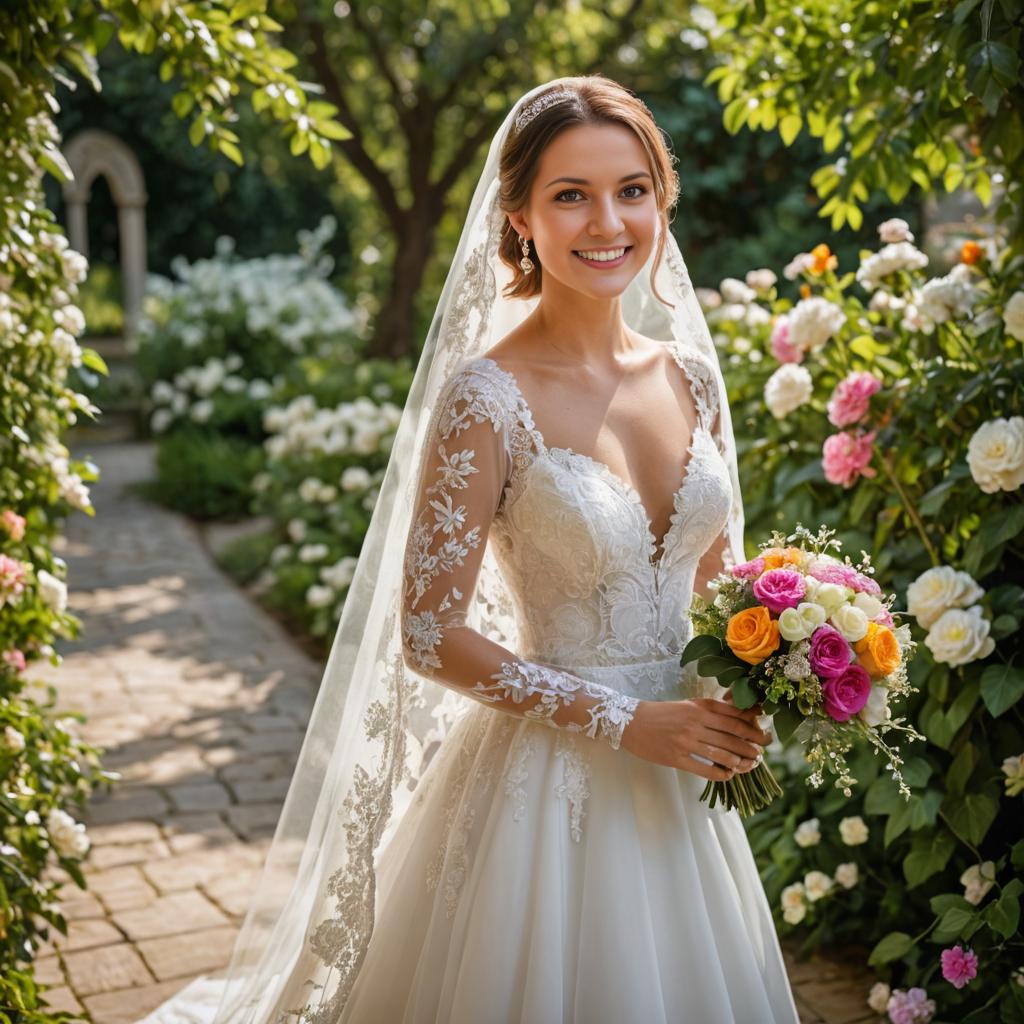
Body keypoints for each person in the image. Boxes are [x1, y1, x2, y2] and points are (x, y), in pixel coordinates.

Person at [140, 74, 801, 1024]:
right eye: (570, 194)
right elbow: (428, 632)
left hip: (683, 782)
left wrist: (755, 682)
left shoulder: (692, 378)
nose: (606, 220)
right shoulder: (487, 397)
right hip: (552, 796)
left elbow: (716, 585)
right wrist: (627, 723)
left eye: (632, 189)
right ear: (521, 217)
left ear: (662, 200)